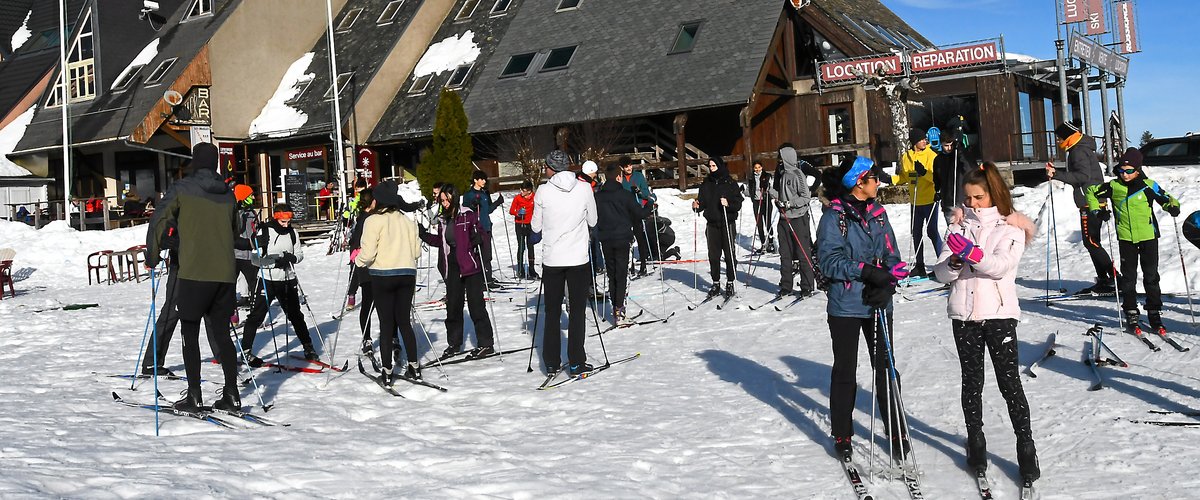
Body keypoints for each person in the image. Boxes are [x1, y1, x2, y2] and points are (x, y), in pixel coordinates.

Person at [933, 162, 1040, 486]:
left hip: (998, 314)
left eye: (977, 197)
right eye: (968, 198)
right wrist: (952, 262)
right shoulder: (958, 224)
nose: (971, 204)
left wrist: (973, 254)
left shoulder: (1013, 228)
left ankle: (1026, 446)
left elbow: (999, 267)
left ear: (993, 194)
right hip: (963, 315)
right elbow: (939, 272)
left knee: (1010, 384)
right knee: (971, 383)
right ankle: (976, 444)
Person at [816, 156, 910, 463]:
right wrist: (867, 272)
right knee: (845, 369)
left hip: (878, 304)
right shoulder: (834, 217)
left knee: (885, 367)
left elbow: (893, 255)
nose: (879, 183)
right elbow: (829, 261)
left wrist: (888, 283)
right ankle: (842, 433)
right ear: (859, 182)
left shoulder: (879, 213)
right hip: (845, 304)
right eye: (874, 178)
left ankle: (896, 431)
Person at [143, 142, 243, 412]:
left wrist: (152, 256)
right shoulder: (228, 193)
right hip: (224, 274)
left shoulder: (182, 189)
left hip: (194, 272)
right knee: (222, 334)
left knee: (190, 330)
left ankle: (194, 394)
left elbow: (158, 221)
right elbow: (238, 229)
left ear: (195, 163)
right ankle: (231, 394)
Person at [1086, 148, 1182, 334]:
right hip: (1126, 238)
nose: (1125, 174)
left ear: (1137, 169)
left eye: (1129, 170)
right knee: (1128, 278)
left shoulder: (1148, 185)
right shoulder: (1113, 187)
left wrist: (1172, 207)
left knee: (1151, 277)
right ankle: (1131, 312)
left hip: (1149, 237)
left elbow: (1167, 199)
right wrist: (1097, 210)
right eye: (1121, 170)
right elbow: (1091, 192)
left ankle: (1154, 313)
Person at [533, 150, 598, 376]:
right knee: (578, 310)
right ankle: (576, 361)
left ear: (551, 168)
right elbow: (593, 219)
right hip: (578, 258)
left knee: (552, 311)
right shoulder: (584, 188)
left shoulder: (543, 190)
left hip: (553, 260)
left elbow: (535, 227)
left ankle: (551, 362)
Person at [355, 180, 422, 385]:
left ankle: (386, 370)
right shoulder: (408, 221)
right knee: (404, 322)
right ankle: (414, 366)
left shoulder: (373, 221)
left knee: (386, 323)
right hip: (406, 273)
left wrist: (358, 261)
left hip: (383, 275)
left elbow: (367, 254)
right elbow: (417, 252)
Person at [420, 184, 496, 361]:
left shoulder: (467, 214)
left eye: (447, 200)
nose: (445, 203)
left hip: (470, 263)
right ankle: (454, 342)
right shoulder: (443, 219)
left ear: (454, 197)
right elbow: (441, 241)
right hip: (453, 263)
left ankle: (486, 343)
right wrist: (423, 234)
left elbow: (483, 234)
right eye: (442, 200)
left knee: (476, 305)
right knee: (453, 305)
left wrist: (479, 238)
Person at [240, 203, 318, 366]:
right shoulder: (266, 231)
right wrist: (273, 261)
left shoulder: (292, 233)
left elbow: (299, 254)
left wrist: (292, 258)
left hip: (287, 279)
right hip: (267, 279)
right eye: (283, 221)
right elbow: (255, 259)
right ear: (276, 217)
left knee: (295, 315)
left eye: (289, 220)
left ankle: (308, 346)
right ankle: (246, 351)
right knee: (256, 316)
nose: (286, 224)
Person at [1046, 119, 1114, 295]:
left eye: (1059, 138)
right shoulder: (1080, 149)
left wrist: (1057, 174)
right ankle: (1105, 280)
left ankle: (1115, 279)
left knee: (1091, 241)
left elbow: (1082, 176)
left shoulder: (1078, 151)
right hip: (1093, 201)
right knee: (1092, 242)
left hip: (1090, 202)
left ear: (1068, 137)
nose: (1058, 142)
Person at [595, 163, 653, 324]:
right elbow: (639, 213)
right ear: (619, 177)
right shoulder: (625, 195)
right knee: (622, 274)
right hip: (622, 238)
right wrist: (649, 204)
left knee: (612, 273)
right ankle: (619, 309)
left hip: (606, 239)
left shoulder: (598, 196)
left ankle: (615, 307)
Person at [769, 145, 822, 299]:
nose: (779, 160)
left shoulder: (798, 174)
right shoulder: (782, 173)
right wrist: (770, 192)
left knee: (802, 252)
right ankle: (786, 285)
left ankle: (807, 286)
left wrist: (790, 203)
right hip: (784, 218)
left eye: (781, 157)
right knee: (785, 253)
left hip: (798, 217)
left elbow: (805, 197)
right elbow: (781, 194)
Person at [691, 156, 743, 299]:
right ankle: (716, 282)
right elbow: (702, 202)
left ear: (720, 166)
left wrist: (728, 203)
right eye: (710, 166)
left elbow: (738, 203)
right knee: (713, 256)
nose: (711, 168)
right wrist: (697, 206)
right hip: (712, 224)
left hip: (727, 222)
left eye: (714, 166)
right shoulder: (707, 183)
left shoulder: (730, 182)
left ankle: (731, 281)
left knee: (729, 254)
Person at [891, 128, 941, 277]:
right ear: (914, 142)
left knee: (932, 232)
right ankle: (919, 266)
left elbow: (935, 179)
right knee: (916, 233)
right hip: (915, 201)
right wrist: (890, 179)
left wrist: (924, 172)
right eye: (921, 139)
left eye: (925, 139)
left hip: (929, 199)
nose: (925, 141)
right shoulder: (906, 156)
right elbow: (905, 177)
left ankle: (943, 264)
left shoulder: (931, 155)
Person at [347, 188, 379, 354]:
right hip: (367, 267)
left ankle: (389, 336)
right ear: (372, 202)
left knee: (375, 304)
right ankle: (366, 338)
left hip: (372, 265)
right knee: (369, 303)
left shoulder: (366, 217)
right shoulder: (366, 219)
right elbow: (358, 243)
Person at [616, 156, 657, 276]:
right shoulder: (620, 178)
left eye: (630, 165)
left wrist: (639, 191)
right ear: (622, 168)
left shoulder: (638, 176)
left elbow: (646, 193)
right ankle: (631, 266)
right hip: (624, 212)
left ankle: (643, 265)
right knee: (628, 240)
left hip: (637, 210)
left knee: (640, 237)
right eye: (626, 166)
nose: (629, 168)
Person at [462, 170, 504, 286]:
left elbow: (488, 210)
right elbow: (464, 210)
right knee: (477, 253)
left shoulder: (485, 193)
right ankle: (478, 278)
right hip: (475, 228)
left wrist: (497, 202)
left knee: (487, 254)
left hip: (486, 226)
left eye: (485, 179)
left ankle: (488, 278)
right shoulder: (469, 195)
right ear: (475, 180)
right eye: (482, 179)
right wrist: (472, 206)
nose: (484, 181)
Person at [933, 130, 974, 218]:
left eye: (951, 145)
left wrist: (960, 151)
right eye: (946, 145)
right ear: (941, 144)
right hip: (947, 201)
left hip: (962, 200)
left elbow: (968, 169)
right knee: (952, 229)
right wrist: (937, 191)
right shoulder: (938, 159)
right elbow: (937, 178)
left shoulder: (958, 157)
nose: (949, 148)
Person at [232, 185, 258, 313]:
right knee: (230, 285)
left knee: (254, 283)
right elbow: (238, 229)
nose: (253, 197)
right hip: (236, 254)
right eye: (250, 195)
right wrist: (240, 211)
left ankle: (255, 312)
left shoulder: (252, 212)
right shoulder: (236, 212)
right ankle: (231, 314)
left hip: (250, 254)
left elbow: (254, 230)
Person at [509, 180, 538, 280]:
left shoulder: (535, 197)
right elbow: (511, 210)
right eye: (521, 189)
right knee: (521, 246)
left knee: (531, 247)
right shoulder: (518, 198)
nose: (521, 191)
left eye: (524, 190)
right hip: (520, 224)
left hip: (530, 225)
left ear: (529, 191)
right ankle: (520, 270)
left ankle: (532, 269)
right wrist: (518, 212)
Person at [745, 160, 775, 254]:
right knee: (759, 223)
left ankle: (771, 243)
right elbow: (748, 191)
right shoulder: (751, 178)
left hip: (766, 201)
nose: (757, 169)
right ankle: (763, 244)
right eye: (755, 168)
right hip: (757, 202)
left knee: (767, 222)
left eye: (759, 167)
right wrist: (743, 191)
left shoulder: (767, 176)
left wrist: (767, 189)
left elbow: (772, 188)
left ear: (762, 167)